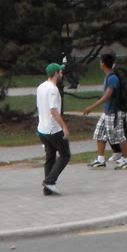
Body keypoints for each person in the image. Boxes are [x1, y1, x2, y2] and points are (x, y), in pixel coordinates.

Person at [81, 51, 127, 170]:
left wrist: (91, 107)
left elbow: (108, 95)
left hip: (115, 112)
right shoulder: (109, 75)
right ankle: (100, 160)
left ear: (103, 63)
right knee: (99, 133)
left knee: (119, 136)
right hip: (108, 112)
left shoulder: (112, 78)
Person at [36, 62, 70, 196]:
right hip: (53, 129)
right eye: (60, 72)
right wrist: (64, 127)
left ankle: (47, 188)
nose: (61, 74)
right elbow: (53, 110)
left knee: (50, 156)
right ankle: (50, 181)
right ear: (56, 73)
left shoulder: (41, 87)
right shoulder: (53, 90)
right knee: (65, 155)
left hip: (42, 128)